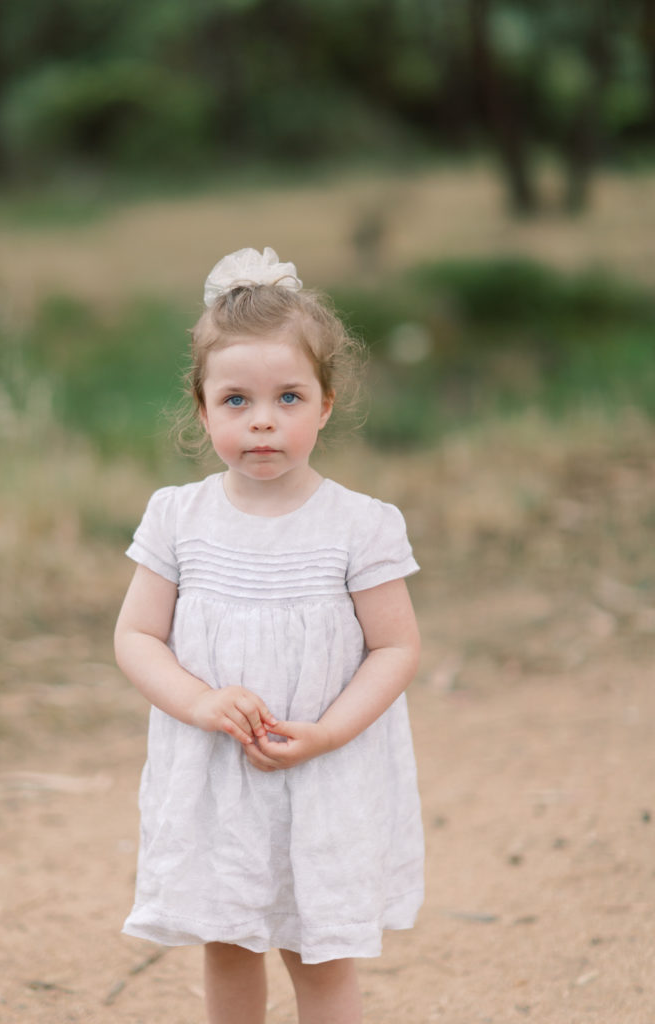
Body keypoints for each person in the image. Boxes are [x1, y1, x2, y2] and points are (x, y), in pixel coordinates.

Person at [114, 247, 424, 1024]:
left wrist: (328, 733)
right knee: (229, 941)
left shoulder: (359, 525)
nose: (262, 420)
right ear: (202, 409)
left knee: (320, 954)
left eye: (288, 397)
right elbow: (136, 638)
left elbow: (396, 648)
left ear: (324, 404)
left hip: (324, 778)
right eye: (236, 400)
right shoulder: (178, 518)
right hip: (219, 775)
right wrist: (201, 701)